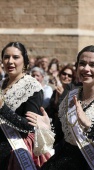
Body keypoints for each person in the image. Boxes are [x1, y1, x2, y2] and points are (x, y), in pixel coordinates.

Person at [26, 45, 94, 170]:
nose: (86, 69)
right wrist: (48, 129)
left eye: (93, 65)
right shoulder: (70, 97)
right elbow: (60, 137)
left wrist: (90, 126)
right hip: (63, 162)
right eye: (82, 64)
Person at [0, 42, 52, 170]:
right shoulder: (2, 83)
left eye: (15, 57)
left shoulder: (32, 87)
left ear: (25, 60)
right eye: (6, 57)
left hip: (13, 150)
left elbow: (28, 126)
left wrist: (3, 108)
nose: (10, 61)